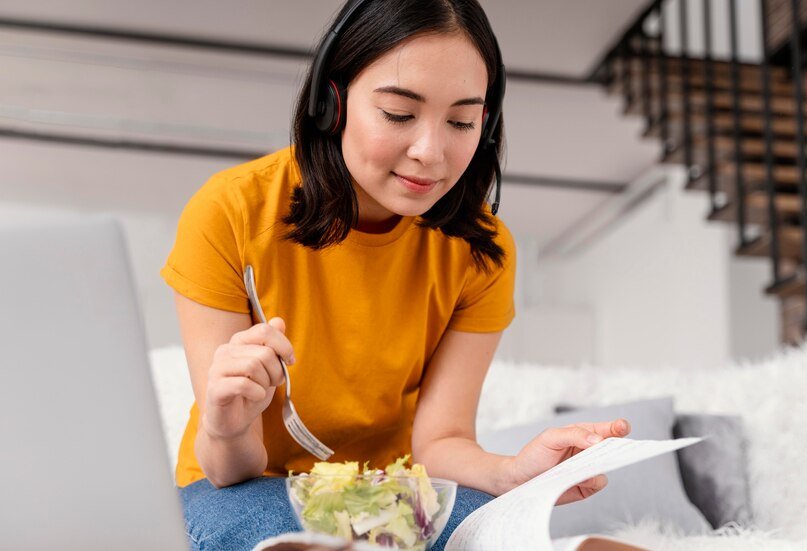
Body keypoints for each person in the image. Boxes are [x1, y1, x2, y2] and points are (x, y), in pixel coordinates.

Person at [160, 1, 631, 549]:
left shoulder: (483, 251)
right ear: (331, 103)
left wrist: (512, 474)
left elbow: (441, 440)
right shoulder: (230, 212)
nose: (431, 153)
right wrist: (229, 424)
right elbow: (226, 470)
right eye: (399, 115)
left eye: (460, 121)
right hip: (249, 485)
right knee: (274, 534)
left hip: (393, 494)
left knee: (510, 532)